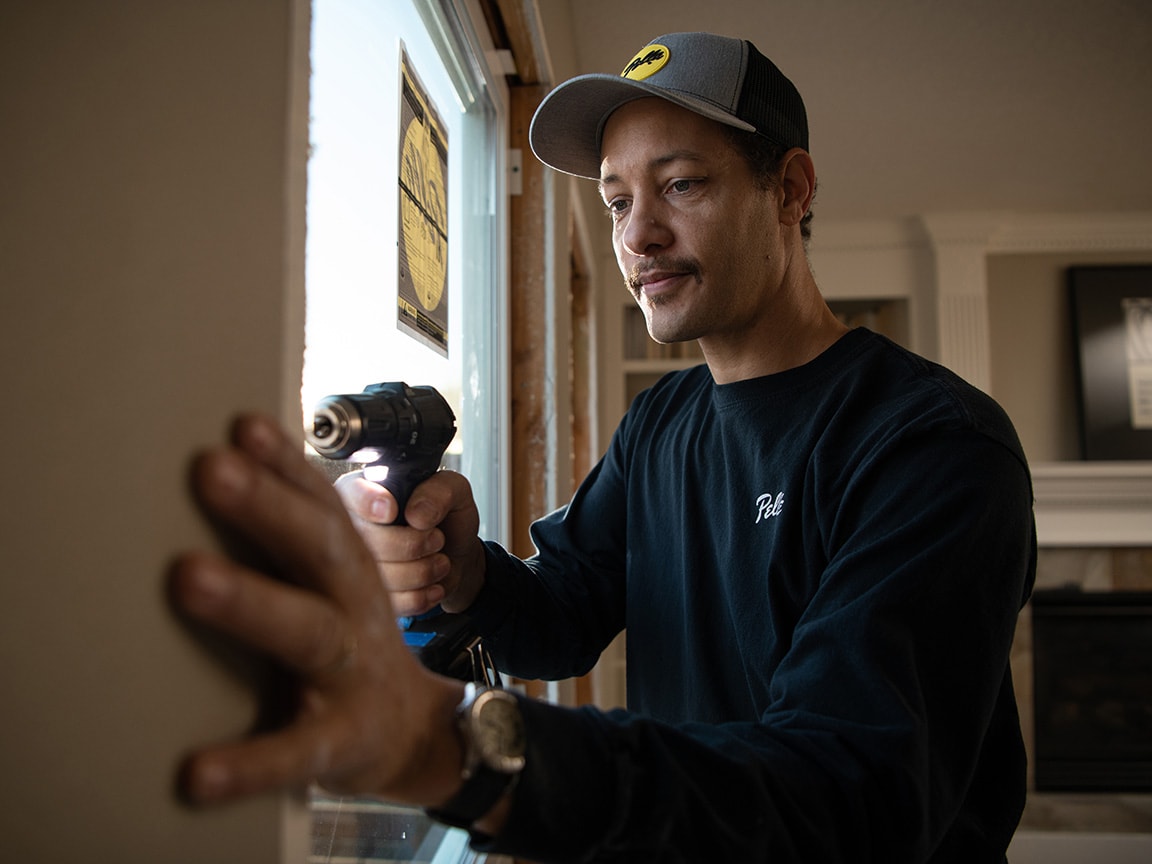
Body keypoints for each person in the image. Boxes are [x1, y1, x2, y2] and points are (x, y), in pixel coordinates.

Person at [171, 32, 1036, 863]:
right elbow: (564, 616)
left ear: (790, 190)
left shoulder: (931, 446)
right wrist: (464, 570)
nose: (636, 236)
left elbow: (851, 799)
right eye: (618, 201)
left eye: (682, 185)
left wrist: (458, 750)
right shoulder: (662, 421)